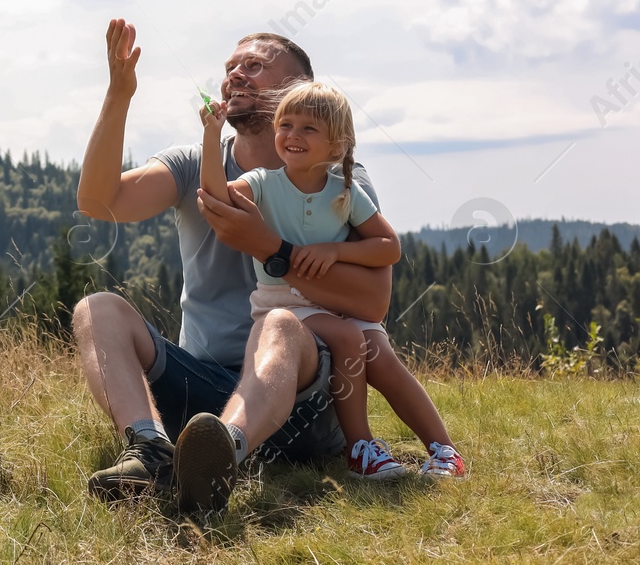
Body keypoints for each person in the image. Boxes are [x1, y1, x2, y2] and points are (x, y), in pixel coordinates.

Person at [73, 23, 395, 511]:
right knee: (97, 309)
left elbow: (374, 301)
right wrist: (119, 94)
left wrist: (272, 249)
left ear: (299, 89)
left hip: (302, 406)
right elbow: (100, 201)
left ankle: (228, 449)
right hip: (200, 388)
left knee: (282, 324)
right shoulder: (192, 165)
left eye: (254, 66)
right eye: (230, 69)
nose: (235, 76)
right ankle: (152, 451)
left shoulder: (338, 179)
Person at [198, 82, 466, 482]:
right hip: (284, 303)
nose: (292, 135)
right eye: (285, 124)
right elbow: (216, 197)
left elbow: (388, 246)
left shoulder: (345, 191)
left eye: (309, 128)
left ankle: (444, 450)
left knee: (381, 354)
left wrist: (335, 251)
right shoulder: (263, 183)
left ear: (337, 144)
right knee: (348, 338)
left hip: (335, 304)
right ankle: (361, 449)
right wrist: (210, 134)